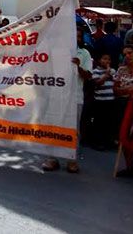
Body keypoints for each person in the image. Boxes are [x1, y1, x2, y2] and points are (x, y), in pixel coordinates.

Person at [43, 28, 92, 173]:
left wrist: (78, 66)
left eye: (78, 36)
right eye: (73, 35)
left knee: (73, 129)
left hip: (75, 97)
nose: (75, 38)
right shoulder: (55, 52)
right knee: (53, 126)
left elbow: (88, 76)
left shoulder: (84, 53)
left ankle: (72, 160)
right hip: (56, 95)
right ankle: (52, 159)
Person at [113, 44, 133, 177]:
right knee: (124, 135)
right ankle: (129, 167)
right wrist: (128, 91)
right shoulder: (121, 70)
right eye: (125, 54)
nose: (127, 56)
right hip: (123, 105)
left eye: (130, 53)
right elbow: (115, 89)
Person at [89, 53, 117, 150]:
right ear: (99, 60)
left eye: (109, 59)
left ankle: (107, 141)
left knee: (108, 122)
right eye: (104, 59)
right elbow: (98, 83)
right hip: (100, 101)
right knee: (99, 122)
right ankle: (97, 142)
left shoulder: (113, 71)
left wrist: (111, 73)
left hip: (110, 100)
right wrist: (106, 74)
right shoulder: (95, 71)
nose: (107, 61)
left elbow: (116, 81)